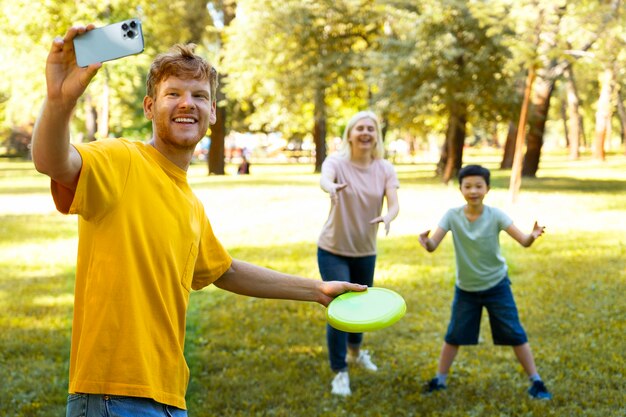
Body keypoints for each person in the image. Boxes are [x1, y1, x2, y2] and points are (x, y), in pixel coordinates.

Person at [31, 25, 367, 417]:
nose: (186, 103)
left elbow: (224, 270)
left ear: (211, 117)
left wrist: (316, 290)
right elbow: (52, 161)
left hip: (169, 395)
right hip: (111, 393)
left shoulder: (189, 202)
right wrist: (59, 102)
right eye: (173, 93)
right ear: (148, 107)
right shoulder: (122, 160)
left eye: (199, 96)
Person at [418, 164, 552, 400]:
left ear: (487, 188)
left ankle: (536, 381)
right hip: (466, 289)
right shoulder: (452, 215)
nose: (473, 191)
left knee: (514, 333)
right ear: (460, 188)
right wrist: (425, 241)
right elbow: (432, 246)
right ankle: (439, 380)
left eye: (478, 186)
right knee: (454, 335)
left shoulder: (496, 215)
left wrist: (532, 236)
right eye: (467, 186)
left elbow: (523, 240)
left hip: (497, 286)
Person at [317, 110, 400, 396]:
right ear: (350, 134)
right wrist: (331, 187)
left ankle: (355, 352)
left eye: (371, 129)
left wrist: (388, 217)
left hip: (366, 250)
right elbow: (325, 179)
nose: (365, 133)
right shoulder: (336, 163)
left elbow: (394, 203)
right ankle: (340, 371)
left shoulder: (385, 168)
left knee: (360, 307)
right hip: (333, 248)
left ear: (376, 135)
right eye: (360, 128)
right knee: (340, 307)